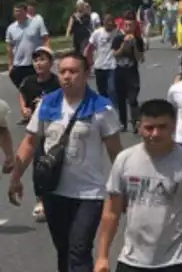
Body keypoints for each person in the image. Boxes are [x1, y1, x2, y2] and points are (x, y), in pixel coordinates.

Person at [8, 52, 123, 272]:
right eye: (62, 72)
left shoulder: (101, 108)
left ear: (86, 74)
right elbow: (30, 142)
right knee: (63, 250)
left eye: (73, 71)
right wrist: (16, 177)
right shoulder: (48, 104)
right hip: (54, 191)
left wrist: (124, 189)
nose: (67, 76)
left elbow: (116, 152)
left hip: (89, 194)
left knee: (79, 250)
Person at [94, 99, 182, 272]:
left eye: (162, 127)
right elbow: (112, 212)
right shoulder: (125, 160)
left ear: (173, 126)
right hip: (132, 260)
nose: (155, 133)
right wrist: (102, 256)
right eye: (149, 127)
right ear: (139, 127)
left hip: (177, 260)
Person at [17, 46, 61, 221]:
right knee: (39, 166)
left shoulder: (57, 82)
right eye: (36, 60)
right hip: (36, 131)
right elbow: (21, 94)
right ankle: (40, 200)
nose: (39, 64)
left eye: (43, 60)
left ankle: (58, 198)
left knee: (57, 163)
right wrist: (24, 108)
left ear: (50, 63)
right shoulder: (29, 82)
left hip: (56, 129)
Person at [113, 16, 145, 132]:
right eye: (126, 25)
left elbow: (140, 58)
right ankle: (122, 122)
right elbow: (115, 55)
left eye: (130, 25)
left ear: (135, 26)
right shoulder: (117, 38)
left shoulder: (138, 40)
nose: (128, 28)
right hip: (120, 71)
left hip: (132, 72)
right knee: (121, 99)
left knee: (133, 99)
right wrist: (123, 45)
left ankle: (135, 121)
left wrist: (134, 45)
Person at [86, 15, 118, 99]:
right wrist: (87, 62)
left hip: (112, 66)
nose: (109, 23)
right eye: (107, 21)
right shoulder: (97, 33)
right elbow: (90, 47)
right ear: (103, 22)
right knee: (102, 91)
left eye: (111, 21)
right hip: (99, 66)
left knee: (112, 89)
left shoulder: (117, 33)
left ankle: (113, 107)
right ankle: (105, 108)